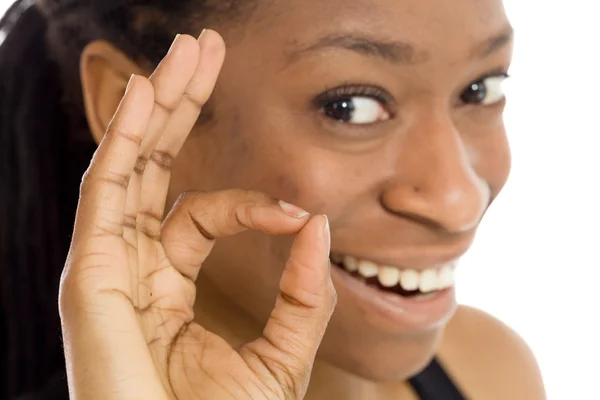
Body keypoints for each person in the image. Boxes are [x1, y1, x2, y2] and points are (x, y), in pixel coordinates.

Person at [0, 0, 547, 398]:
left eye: (481, 89)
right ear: (132, 108)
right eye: (350, 106)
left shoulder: (492, 370)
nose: (458, 200)